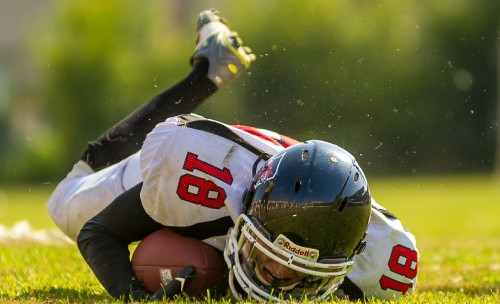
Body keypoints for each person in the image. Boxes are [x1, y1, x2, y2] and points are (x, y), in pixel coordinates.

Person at [47, 9, 419, 302]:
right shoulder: (203, 179)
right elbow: (98, 234)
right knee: (66, 202)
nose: (273, 272)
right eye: (271, 252)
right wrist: (135, 298)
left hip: (288, 160)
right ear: (253, 205)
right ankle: (209, 73)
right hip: (228, 160)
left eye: (294, 267)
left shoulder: (382, 258)